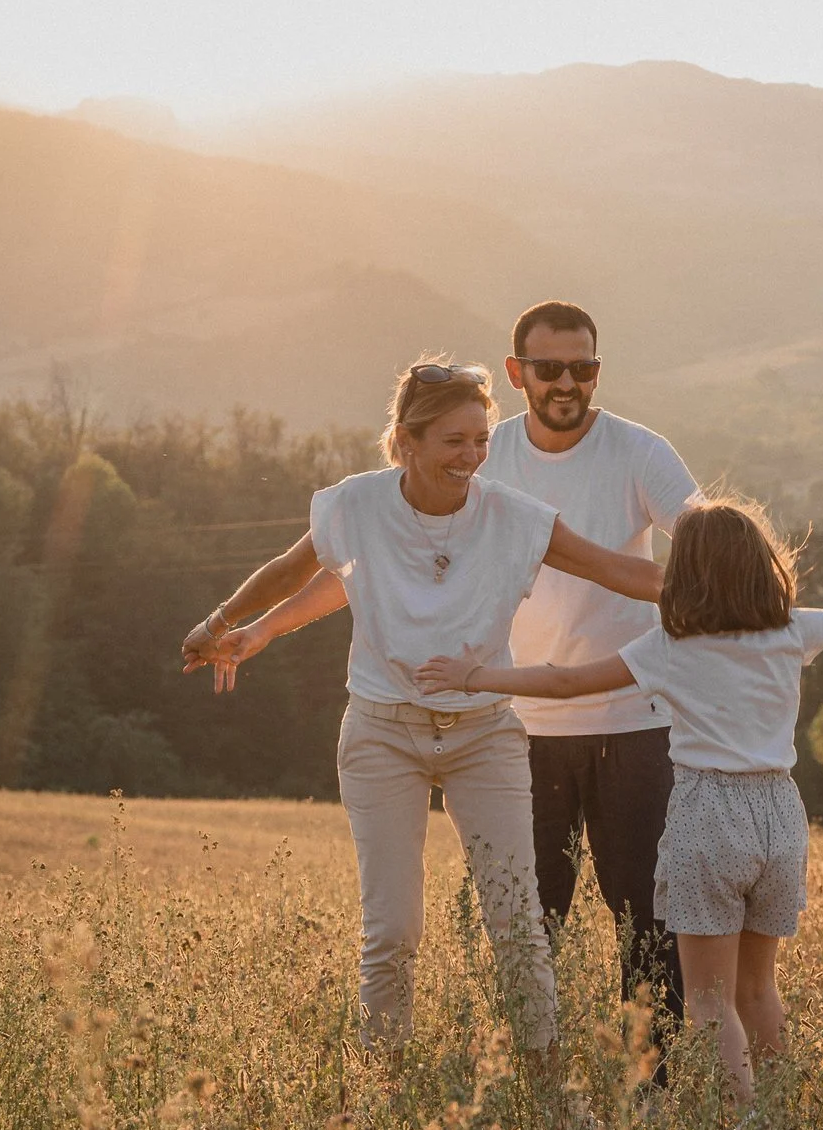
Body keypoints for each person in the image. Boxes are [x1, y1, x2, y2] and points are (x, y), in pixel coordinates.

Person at [417, 499, 823, 1104]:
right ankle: (776, 1122)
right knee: (758, 990)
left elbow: (563, 682)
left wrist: (474, 676)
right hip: (780, 815)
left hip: (708, 816)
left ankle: (745, 1129)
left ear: (686, 575)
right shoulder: (791, 632)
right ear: (759, 566)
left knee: (708, 1001)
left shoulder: (670, 648)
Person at [180, 359, 663, 1053]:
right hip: (383, 733)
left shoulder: (513, 517)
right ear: (405, 441)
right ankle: (383, 1089)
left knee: (517, 925)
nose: (471, 458)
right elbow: (297, 571)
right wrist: (226, 621)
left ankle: (550, 1094)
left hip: (485, 735)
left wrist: (733, 593)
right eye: (453, 441)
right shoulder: (356, 505)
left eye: (481, 440)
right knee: (392, 932)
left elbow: (616, 568)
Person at [478, 301, 701, 1034]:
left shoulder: (639, 451)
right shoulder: (486, 455)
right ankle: (527, 1083)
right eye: (549, 369)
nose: (568, 383)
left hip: (633, 719)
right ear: (517, 374)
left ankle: (653, 1091)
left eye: (585, 367)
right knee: (526, 919)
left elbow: (701, 535)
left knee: (646, 919)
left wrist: (748, 588)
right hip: (519, 726)